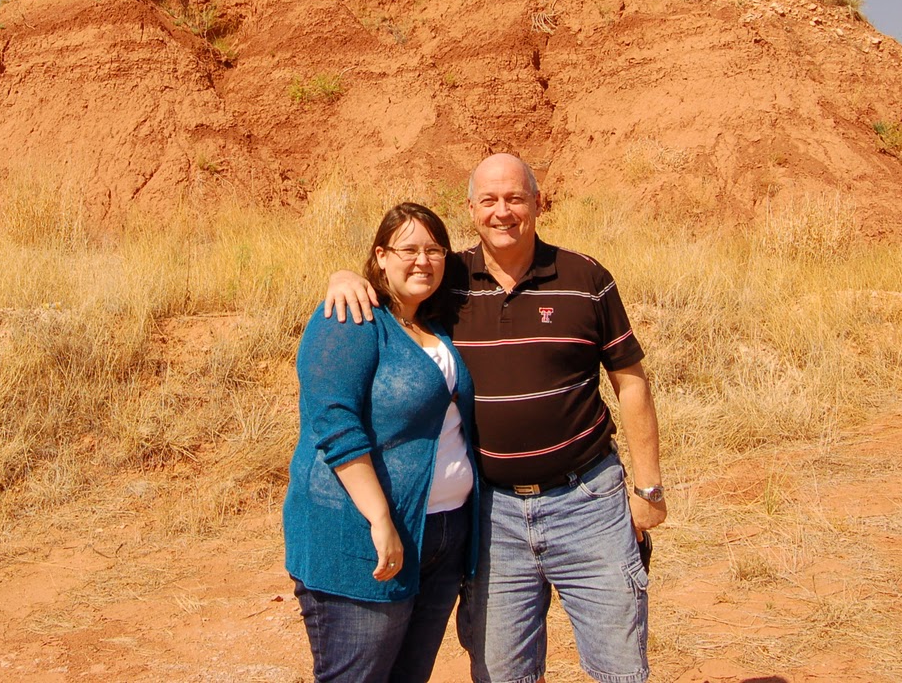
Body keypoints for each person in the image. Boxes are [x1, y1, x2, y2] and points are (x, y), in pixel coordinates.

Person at [324, 154, 665, 683]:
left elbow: (631, 384)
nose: (502, 212)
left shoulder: (585, 277)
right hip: (491, 515)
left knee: (620, 667)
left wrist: (648, 491)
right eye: (489, 200)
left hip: (588, 503)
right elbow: (394, 284)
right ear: (471, 209)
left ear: (537, 203)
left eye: (514, 198)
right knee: (502, 672)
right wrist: (344, 274)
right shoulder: (447, 279)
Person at [284, 202, 480, 683]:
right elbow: (333, 422)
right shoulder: (350, 317)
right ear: (381, 255)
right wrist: (379, 518)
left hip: (443, 535)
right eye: (408, 249)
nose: (423, 261)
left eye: (435, 250)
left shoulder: (435, 324)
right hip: (364, 536)